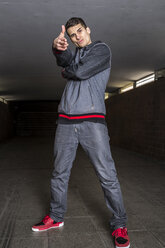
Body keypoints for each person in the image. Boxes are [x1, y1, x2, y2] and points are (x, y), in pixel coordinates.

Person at [32, 17, 130, 248]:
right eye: (73, 35)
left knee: (107, 176)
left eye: (80, 32)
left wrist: (67, 72)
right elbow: (65, 60)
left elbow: (81, 71)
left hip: (92, 123)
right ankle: (56, 216)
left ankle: (120, 224)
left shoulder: (101, 49)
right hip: (66, 122)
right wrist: (58, 48)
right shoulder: (74, 52)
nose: (77, 37)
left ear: (88, 29)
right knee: (59, 173)